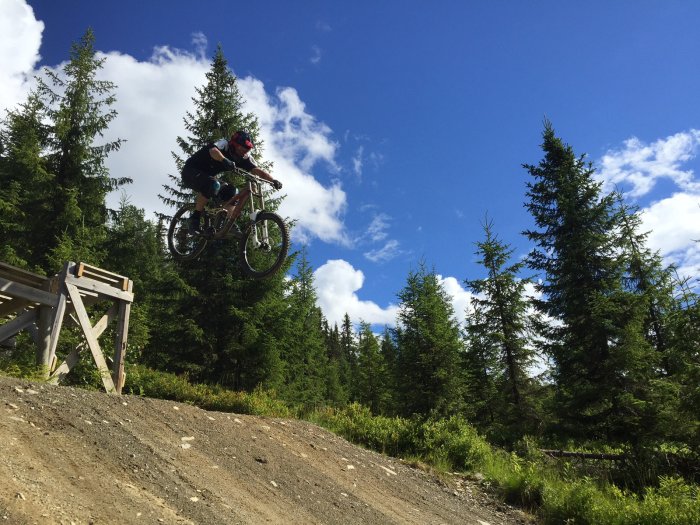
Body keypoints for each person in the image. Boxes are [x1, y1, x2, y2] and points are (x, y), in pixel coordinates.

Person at [180, 130, 282, 234]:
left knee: (231, 191)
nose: (245, 151)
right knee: (212, 184)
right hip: (190, 172)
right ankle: (195, 218)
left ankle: (226, 222)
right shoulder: (224, 144)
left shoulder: (243, 157)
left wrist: (273, 180)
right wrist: (224, 159)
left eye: (247, 149)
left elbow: (258, 170)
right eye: (243, 148)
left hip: (207, 177)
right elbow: (213, 151)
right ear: (235, 144)